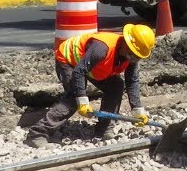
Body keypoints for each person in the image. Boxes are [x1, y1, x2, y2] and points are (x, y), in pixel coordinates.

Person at [25, 24, 157, 148]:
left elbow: (132, 80)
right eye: (132, 54)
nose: (133, 58)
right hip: (69, 60)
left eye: (137, 56)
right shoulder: (101, 48)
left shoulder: (131, 56)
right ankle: (37, 133)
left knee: (116, 86)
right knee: (73, 97)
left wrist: (137, 109)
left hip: (91, 66)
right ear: (126, 43)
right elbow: (79, 72)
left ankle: (104, 129)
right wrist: (82, 100)